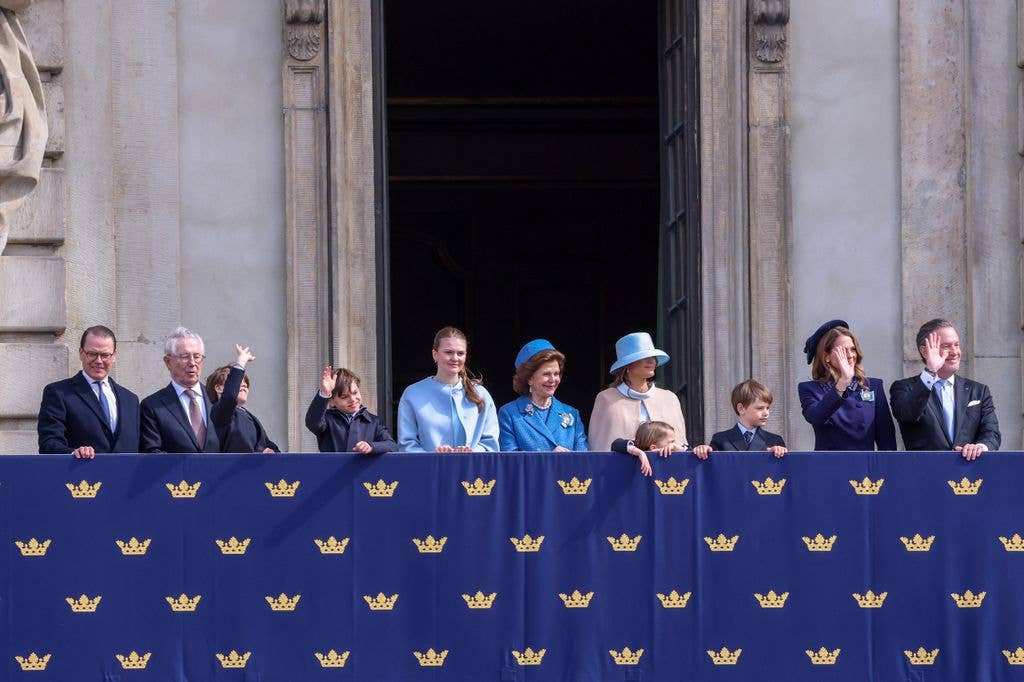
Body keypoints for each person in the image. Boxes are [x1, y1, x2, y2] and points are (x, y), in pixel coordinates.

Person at [889, 319, 1000, 460]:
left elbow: (992, 433)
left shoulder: (979, 391)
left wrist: (980, 447)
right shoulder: (904, 388)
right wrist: (930, 371)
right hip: (924, 473)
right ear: (924, 351)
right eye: (946, 346)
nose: (954, 352)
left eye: (957, 345)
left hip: (968, 474)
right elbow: (907, 414)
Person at [37, 325, 141, 457]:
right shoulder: (58, 393)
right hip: (81, 475)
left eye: (105, 355)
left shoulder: (130, 400)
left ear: (114, 356)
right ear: (81, 353)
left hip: (124, 476)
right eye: (92, 354)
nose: (98, 361)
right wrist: (74, 453)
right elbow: (49, 444)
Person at [797, 319, 897, 451]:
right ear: (826, 356)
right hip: (829, 468)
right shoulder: (810, 389)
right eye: (844, 351)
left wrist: (884, 470)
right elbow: (816, 417)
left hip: (865, 468)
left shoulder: (873, 386)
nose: (850, 355)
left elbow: (886, 440)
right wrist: (843, 381)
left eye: (853, 349)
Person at [397, 326, 499, 452]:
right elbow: (406, 445)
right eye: (448, 352)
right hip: (430, 470)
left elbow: (491, 443)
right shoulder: (412, 394)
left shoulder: (482, 394)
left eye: (460, 353)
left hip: (474, 470)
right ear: (435, 354)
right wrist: (434, 457)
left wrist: (472, 453)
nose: (455, 358)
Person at [588, 332, 687, 452]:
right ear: (627, 366)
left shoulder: (669, 398)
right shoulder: (606, 398)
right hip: (622, 468)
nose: (652, 361)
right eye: (645, 357)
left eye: (653, 357)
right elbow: (600, 444)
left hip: (666, 467)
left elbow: (681, 443)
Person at [497, 339, 588, 451]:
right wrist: (548, 460)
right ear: (529, 378)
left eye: (556, 374)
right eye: (546, 374)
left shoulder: (572, 413)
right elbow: (510, 462)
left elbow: (584, 459)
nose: (553, 380)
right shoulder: (510, 414)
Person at [140, 327, 221, 453]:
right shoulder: (152, 406)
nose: (192, 363)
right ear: (168, 362)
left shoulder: (216, 399)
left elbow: (234, 441)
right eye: (185, 356)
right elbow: (152, 452)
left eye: (197, 356)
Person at [305, 365, 396, 454]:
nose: (352, 399)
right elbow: (313, 422)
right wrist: (325, 393)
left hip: (363, 469)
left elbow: (391, 445)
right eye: (344, 397)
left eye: (355, 392)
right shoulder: (327, 419)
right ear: (331, 401)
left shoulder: (374, 421)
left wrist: (371, 446)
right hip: (333, 468)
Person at [206, 344, 280, 453]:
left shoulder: (248, 415)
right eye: (238, 382)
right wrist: (241, 362)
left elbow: (267, 445)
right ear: (218, 388)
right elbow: (230, 398)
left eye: (245, 383)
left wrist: (271, 452)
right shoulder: (218, 412)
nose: (244, 385)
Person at [691, 380, 787, 459]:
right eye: (760, 408)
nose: (766, 413)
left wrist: (779, 454)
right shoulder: (721, 439)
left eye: (767, 408)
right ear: (741, 408)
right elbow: (712, 469)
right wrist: (702, 450)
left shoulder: (774, 441)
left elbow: (783, 474)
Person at [611, 421, 684, 476]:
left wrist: (675, 447)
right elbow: (616, 444)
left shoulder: (674, 449)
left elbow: (688, 452)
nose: (673, 444)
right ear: (653, 447)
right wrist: (641, 453)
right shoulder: (636, 446)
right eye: (671, 442)